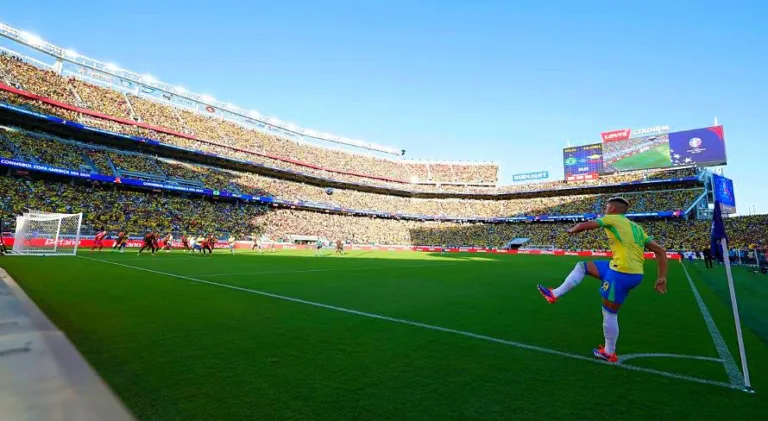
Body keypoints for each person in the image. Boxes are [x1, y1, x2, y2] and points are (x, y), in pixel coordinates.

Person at [536, 197, 668, 363]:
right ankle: (554, 294)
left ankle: (609, 352)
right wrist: (661, 277)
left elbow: (586, 225)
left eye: (606, 207)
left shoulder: (612, 218)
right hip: (627, 270)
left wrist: (572, 230)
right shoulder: (637, 228)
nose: (604, 210)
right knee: (583, 266)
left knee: (609, 313)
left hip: (622, 274)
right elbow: (661, 252)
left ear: (612, 209)